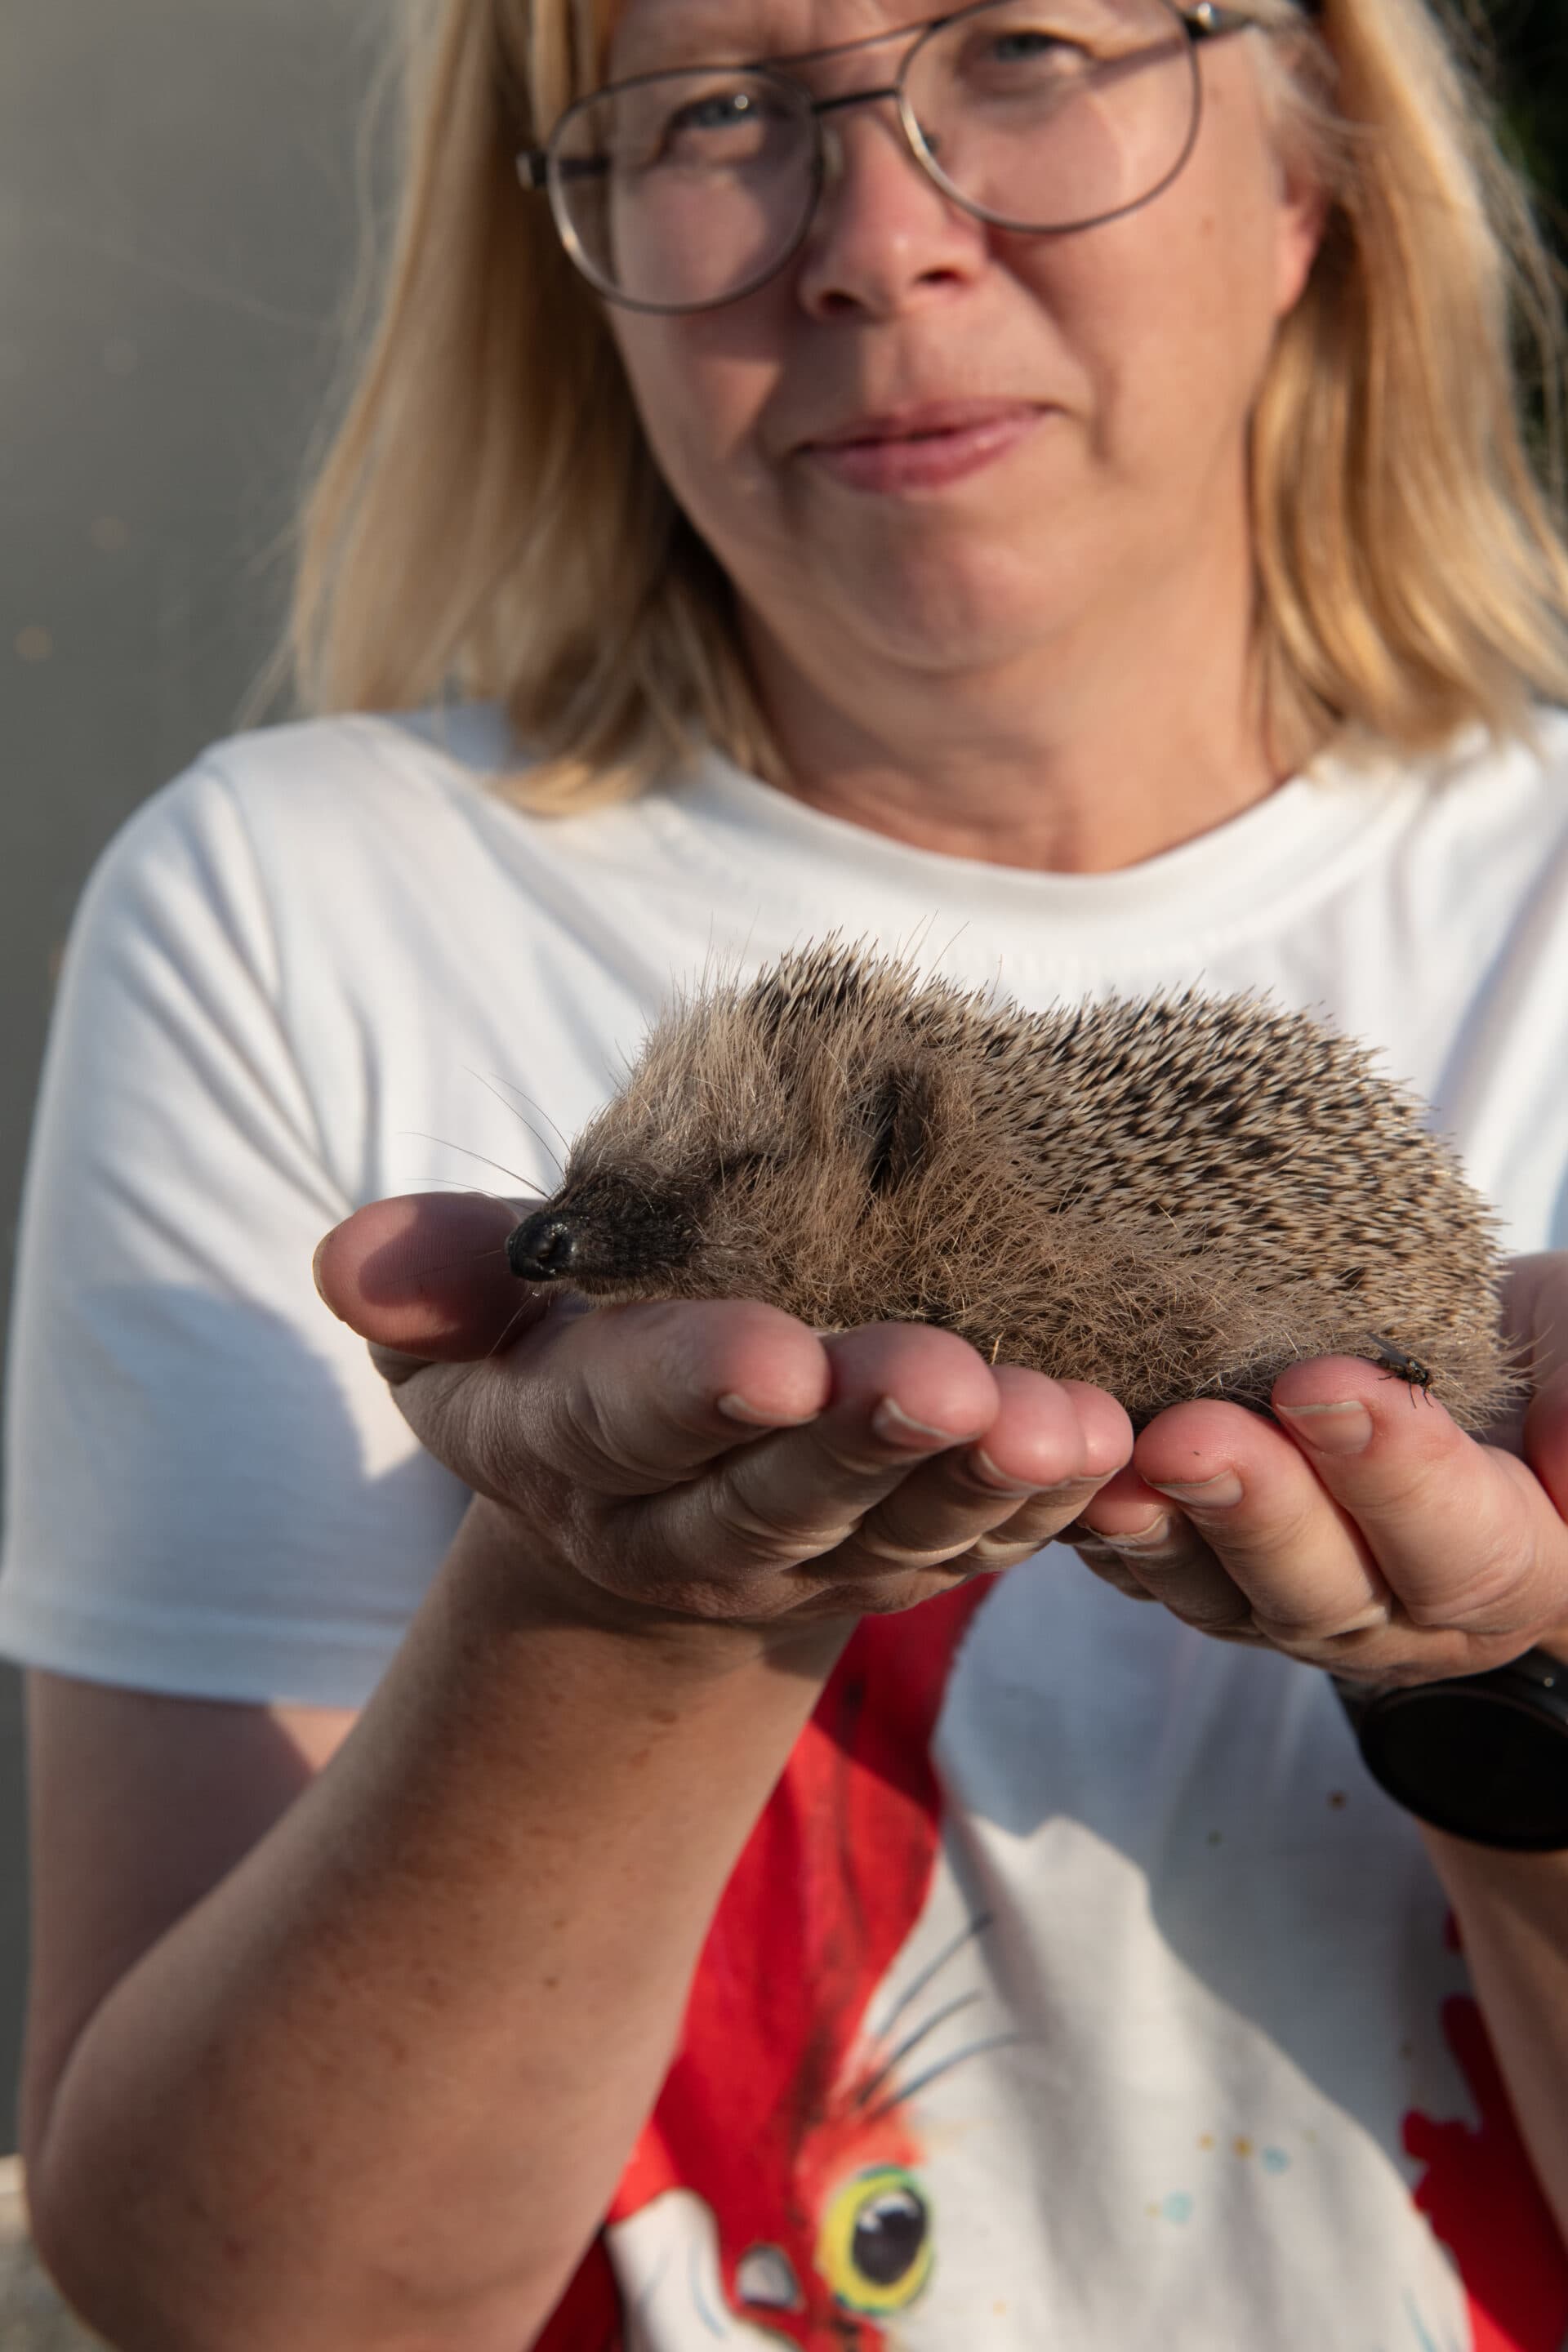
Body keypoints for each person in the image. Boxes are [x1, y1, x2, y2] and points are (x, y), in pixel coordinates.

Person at [7, 0, 1568, 2342]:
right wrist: (612, 1618)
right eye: (721, 108)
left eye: (1026, 45)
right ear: (568, 229)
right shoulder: (286, 902)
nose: (884, 241)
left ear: (1310, 170)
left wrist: (1506, 1714)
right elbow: (235, 2296)